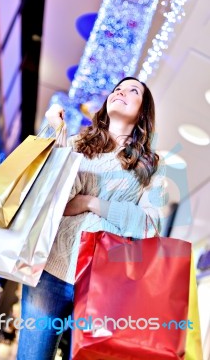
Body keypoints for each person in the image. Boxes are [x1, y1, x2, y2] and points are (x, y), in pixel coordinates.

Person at [17, 77, 166, 360]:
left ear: (143, 111)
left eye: (133, 90)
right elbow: (53, 198)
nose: (121, 91)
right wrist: (56, 134)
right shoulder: (77, 143)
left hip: (104, 280)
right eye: (117, 89)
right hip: (49, 270)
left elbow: (148, 226)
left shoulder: (149, 165)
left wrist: (90, 202)